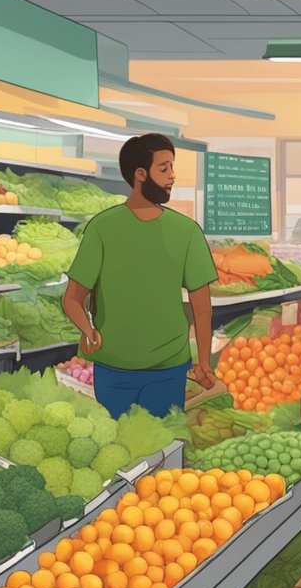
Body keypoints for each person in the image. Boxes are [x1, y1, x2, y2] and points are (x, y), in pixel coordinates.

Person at [63, 134, 218, 419]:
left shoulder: (187, 232)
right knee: (120, 450)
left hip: (168, 368)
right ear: (140, 174)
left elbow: (203, 308)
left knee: (162, 450)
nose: (172, 176)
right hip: (113, 368)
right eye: (164, 168)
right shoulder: (102, 228)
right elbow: (72, 298)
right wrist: (87, 330)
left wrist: (204, 364)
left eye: (172, 167)